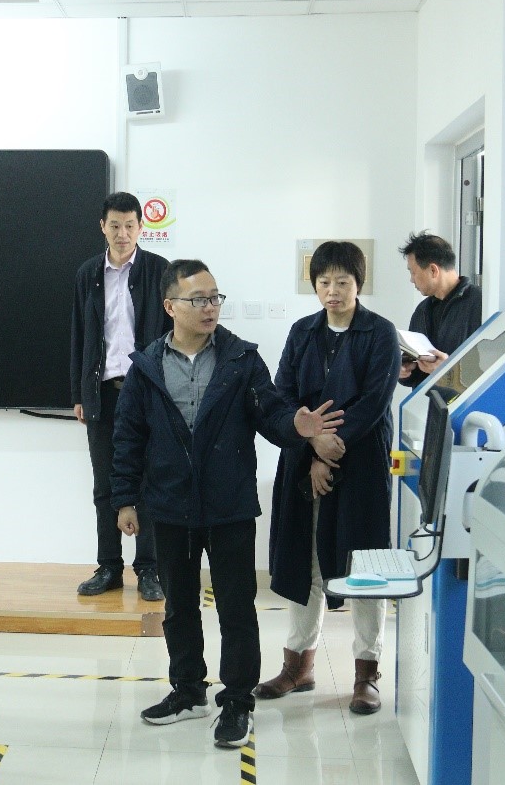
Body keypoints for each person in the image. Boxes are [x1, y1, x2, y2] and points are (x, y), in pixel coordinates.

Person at [112, 259, 343, 748]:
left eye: (215, 297)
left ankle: (238, 700)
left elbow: (271, 414)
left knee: (236, 608)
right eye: (198, 299)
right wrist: (125, 498)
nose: (210, 307)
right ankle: (188, 691)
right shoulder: (146, 367)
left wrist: (296, 427)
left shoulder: (241, 359)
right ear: (170, 306)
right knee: (179, 607)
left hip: (229, 505)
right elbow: (128, 436)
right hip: (170, 505)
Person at [256, 241, 400, 715]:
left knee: (364, 566)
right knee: (307, 562)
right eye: (324, 282)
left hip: (360, 463)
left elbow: (374, 402)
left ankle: (367, 673)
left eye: (342, 282)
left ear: (359, 284)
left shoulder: (380, 333)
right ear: (314, 285)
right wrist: (312, 444)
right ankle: (298, 666)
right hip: (305, 460)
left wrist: (330, 449)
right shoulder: (302, 332)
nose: (332, 291)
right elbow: (282, 395)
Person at [71, 192, 171, 600]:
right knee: (105, 485)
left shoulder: (158, 270)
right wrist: (79, 393)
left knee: (148, 481)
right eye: (115, 225)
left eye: (130, 225)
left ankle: (149, 568)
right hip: (103, 392)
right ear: (103, 227)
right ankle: (109, 567)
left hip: (146, 390)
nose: (123, 233)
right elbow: (79, 335)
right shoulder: (88, 273)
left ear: (141, 228)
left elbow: (171, 334)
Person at [397, 232, 483, 388]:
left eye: (413, 272)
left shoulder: (480, 303)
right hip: (430, 402)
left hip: (468, 401)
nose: (411, 279)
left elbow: (492, 367)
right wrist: (405, 370)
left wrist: (448, 371)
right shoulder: (422, 311)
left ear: (433, 270)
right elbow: (416, 373)